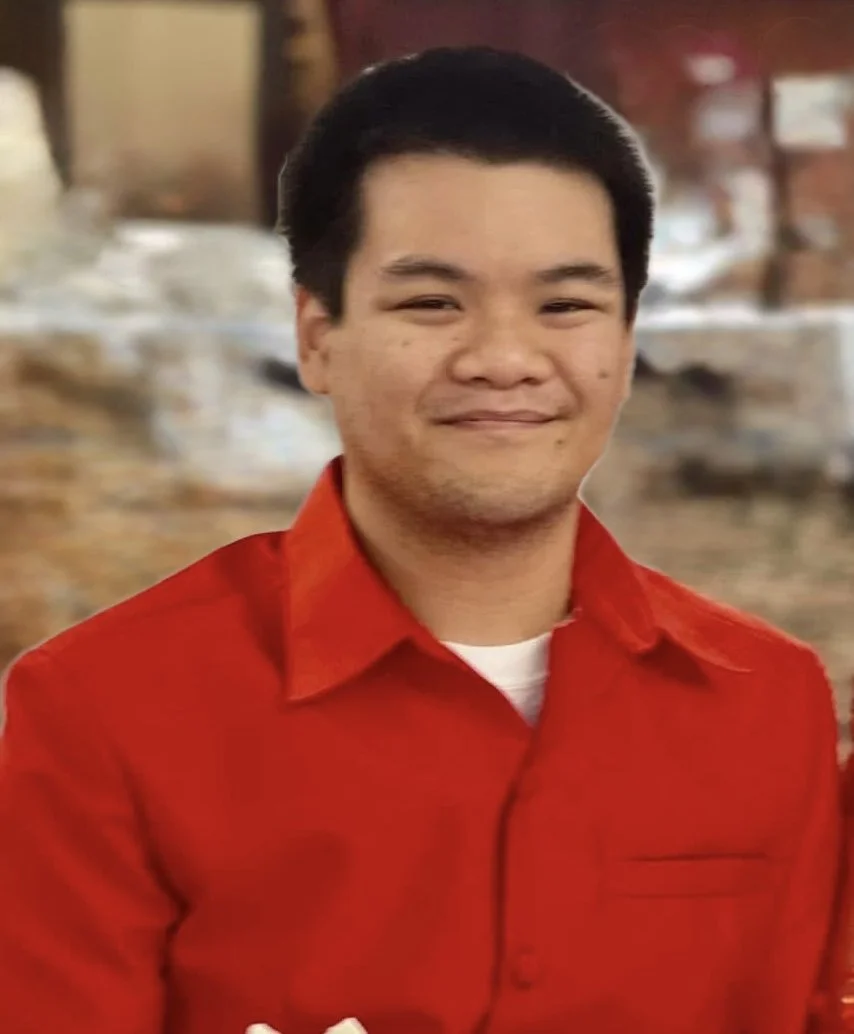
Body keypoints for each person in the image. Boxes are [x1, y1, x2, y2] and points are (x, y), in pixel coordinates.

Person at [0, 46, 843, 1034]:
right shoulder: (102, 713)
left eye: (566, 305)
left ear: (623, 343)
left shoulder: (767, 702)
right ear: (316, 335)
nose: (503, 358)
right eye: (431, 302)